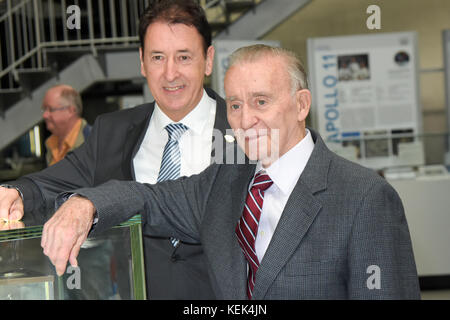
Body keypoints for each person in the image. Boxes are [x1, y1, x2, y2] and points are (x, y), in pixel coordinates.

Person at [41, 45, 421, 299]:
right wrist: (85, 203)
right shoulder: (224, 182)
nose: (245, 119)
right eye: (236, 105)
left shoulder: (364, 198)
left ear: (301, 104)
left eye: (261, 101)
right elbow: (147, 197)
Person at [0, 0, 228, 299]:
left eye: (184, 57)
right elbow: (48, 183)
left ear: (208, 60)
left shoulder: (244, 132)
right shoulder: (113, 132)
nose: (170, 73)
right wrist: (16, 193)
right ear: (142, 62)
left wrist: (91, 203)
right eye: (158, 57)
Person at [41, 85, 91, 166]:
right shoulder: (51, 144)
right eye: (44, 109)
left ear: (71, 111)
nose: (45, 115)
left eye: (50, 109)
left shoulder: (95, 143)